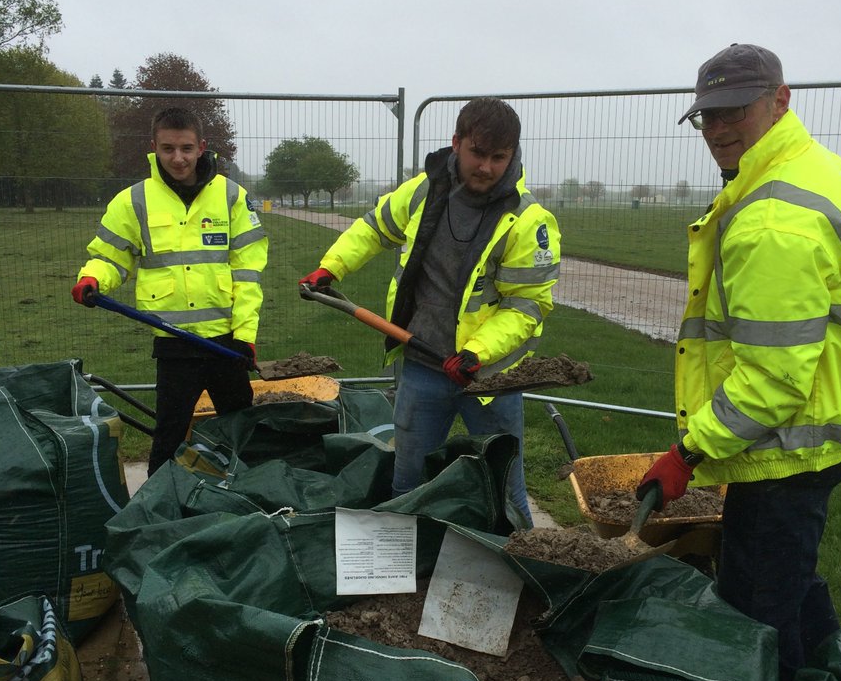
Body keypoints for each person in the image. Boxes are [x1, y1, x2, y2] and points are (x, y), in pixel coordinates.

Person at [637, 43, 841, 681]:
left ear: (780, 100)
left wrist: (689, 453)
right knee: (790, 576)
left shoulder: (773, 219)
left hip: (786, 449)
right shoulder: (819, 168)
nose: (718, 130)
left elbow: (772, 384)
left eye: (733, 112)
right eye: (706, 117)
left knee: (755, 614)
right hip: (828, 431)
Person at [299, 97, 560, 525]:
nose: (487, 167)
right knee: (408, 481)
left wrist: (476, 353)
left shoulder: (528, 220)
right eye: (478, 153)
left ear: (513, 153)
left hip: (488, 377)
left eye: (499, 157)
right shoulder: (424, 189)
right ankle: (406, 578)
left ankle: (521, 567)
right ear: (456, 142)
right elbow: (373, 227)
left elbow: (526, 305)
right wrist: (332, 266)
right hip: (422, 363)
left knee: (506, 486)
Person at [72, 106, 268, 477]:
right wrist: (92, 278)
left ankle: (250, 497)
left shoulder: (231, 197)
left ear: (202, 147)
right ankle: (160, 510)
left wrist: (245, 337)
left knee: (242, 432)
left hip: (225, 343)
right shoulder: (133, 202)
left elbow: (247, 274)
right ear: (154, 148)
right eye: (168, 149)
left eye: (186, 148)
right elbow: (111, 257)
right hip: (174, 345)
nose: (178, 158)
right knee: (169, 436)